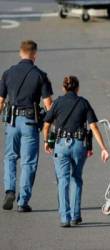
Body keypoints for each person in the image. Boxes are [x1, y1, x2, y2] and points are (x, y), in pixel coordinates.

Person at [43, 75, 109, 227]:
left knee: (63, 180)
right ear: (77, 88)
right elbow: (93, 127)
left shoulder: (57, 103)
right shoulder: (83, 103)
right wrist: (103, 148)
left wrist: (47, 142)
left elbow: (46, 125)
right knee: (76, 178)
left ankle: (64, 218)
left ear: (63, 88)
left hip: (60, 144)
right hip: (79, 145)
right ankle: (75, 216)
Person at [0, 40, 53, 212]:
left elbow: (0, 101)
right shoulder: (40, 75)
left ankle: (9, 190)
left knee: (10, 157)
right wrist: (50, 131)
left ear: (20, 53)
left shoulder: (8, 73)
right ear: (34, 54)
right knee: (28, 162)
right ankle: (23, 202)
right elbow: (48, 105)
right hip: (30, 122)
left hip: (12, 122)